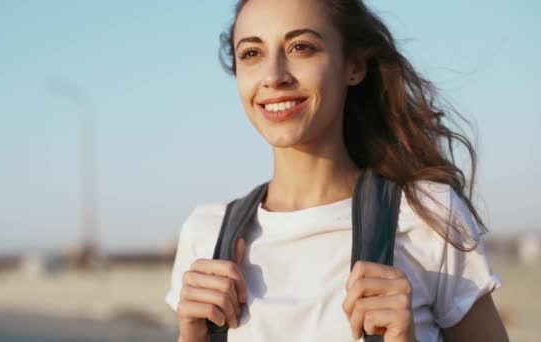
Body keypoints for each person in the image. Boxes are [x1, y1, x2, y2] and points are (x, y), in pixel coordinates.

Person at [164, 0, 509, 341]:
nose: (274, 76)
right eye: (252, 53)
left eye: (301, 47)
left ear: (354, 66)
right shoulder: (205, 235)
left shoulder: (428, 214)